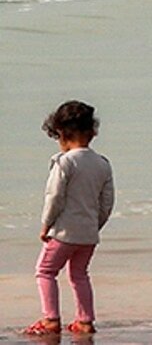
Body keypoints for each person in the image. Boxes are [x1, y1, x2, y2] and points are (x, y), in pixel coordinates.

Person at [23, 100, 114, 337]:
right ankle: (85, 321)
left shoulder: (64, 162)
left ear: (61, 133)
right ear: (92, 132)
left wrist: (46, 224)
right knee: (79, 274)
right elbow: (106, 203)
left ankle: (51, 318)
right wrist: (95, 226)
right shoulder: (102, 164)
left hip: (63, 232)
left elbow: (54, 197)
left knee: (45, 271)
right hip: (88, 234)